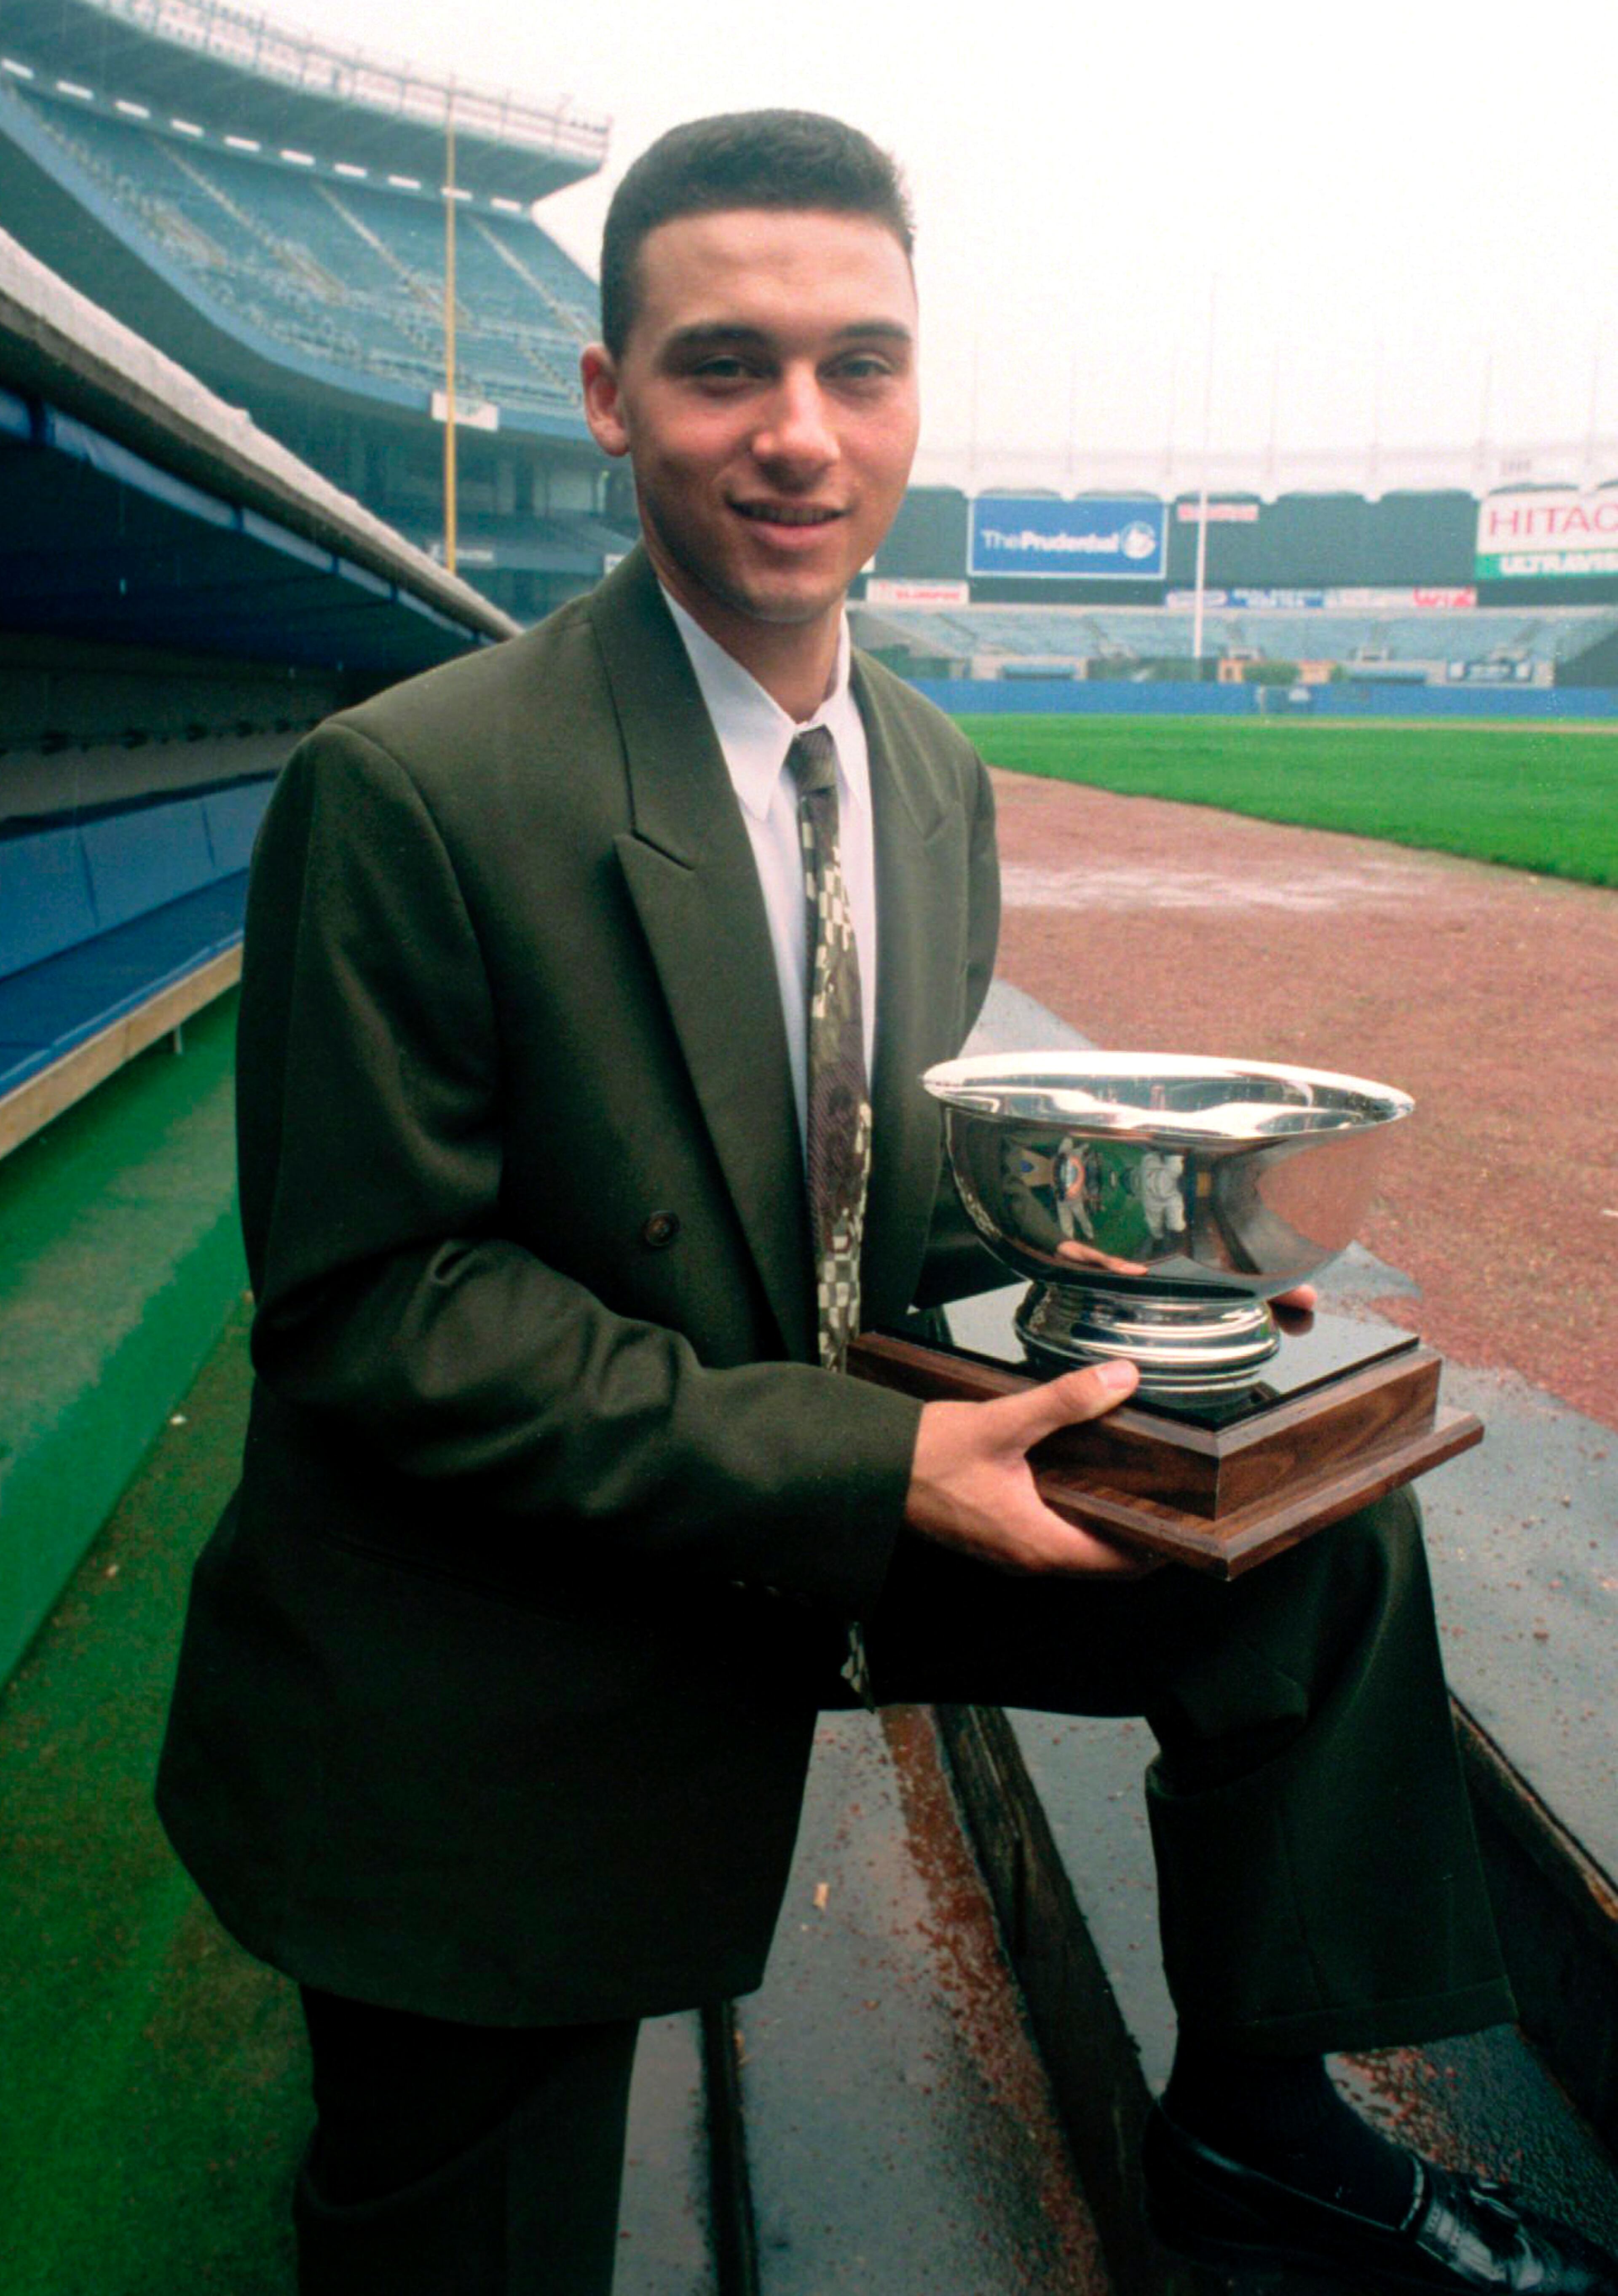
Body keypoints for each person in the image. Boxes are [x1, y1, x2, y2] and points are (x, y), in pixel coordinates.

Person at [156, 111, 1617, 2296]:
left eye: (862, 366)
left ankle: (1259, 2129)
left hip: (812, 1517)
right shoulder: (413, 787)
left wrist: (1152, 1287)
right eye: (726, 364)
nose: (799, 433)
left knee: (1324, 1542)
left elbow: (870, 1181)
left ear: (920, 396)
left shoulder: (923, 771)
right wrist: (886, 1458)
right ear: (609, 396)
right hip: (505, 1630)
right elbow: (383, 1316)